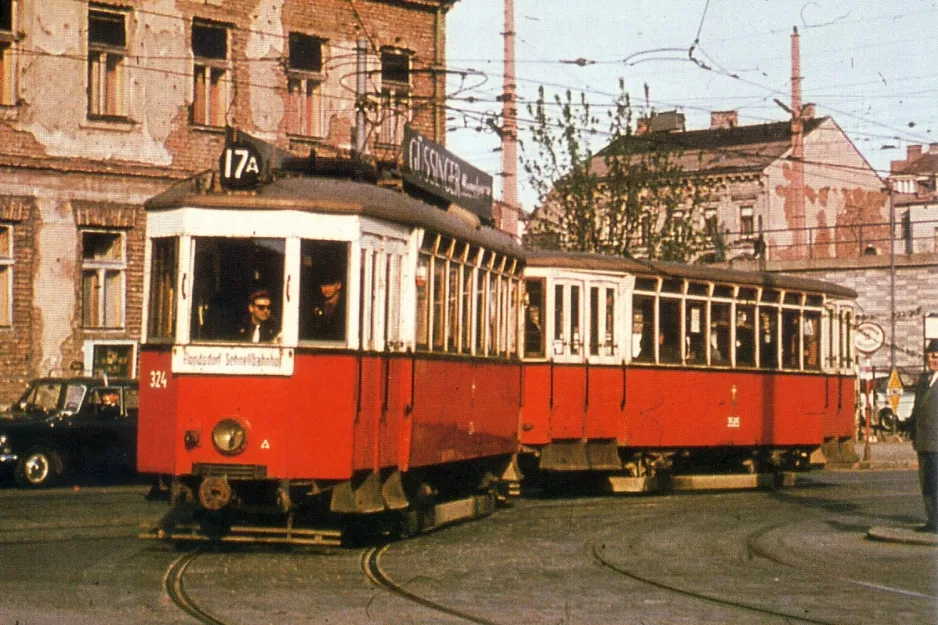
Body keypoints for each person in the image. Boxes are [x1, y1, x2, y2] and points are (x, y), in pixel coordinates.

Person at [908, 339, 938, 533]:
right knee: (926, 481)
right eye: (929, 357)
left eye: (935, 356)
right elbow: (917, 409)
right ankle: (933, 520)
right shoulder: (924, 380)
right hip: (923, 440)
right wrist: (909, 428)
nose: (932, 360)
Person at [308, 275, 345, 340]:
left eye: (330, 285)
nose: (326, 289)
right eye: (324, 285)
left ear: (338, 285)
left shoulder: (346, 307)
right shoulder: (316, 304)